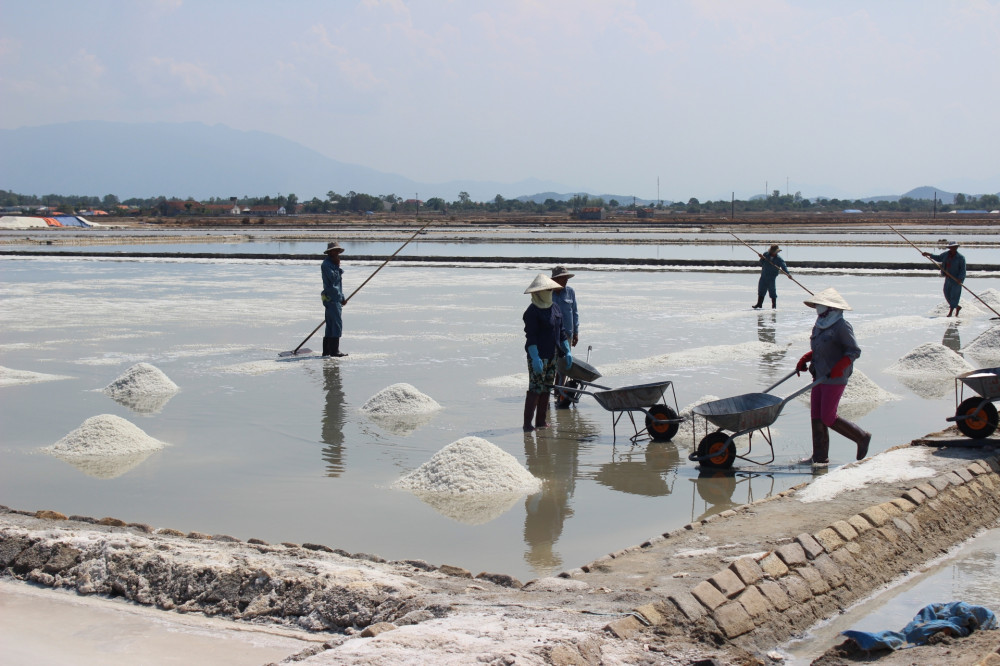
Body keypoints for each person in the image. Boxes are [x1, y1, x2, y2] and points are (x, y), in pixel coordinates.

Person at [795, 287, 871, 465]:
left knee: (828, 417)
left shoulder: (841, 326)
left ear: (830, 307)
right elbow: (820, 347)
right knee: (816, 415)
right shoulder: (820, 323)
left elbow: (853, 351)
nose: (817, 309)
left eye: (820, 305)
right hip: (819, 375)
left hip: (835, 377)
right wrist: (807, 358)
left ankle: (862, 437)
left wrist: (841, 366)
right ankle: (819, 457)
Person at [522, 273, 571, 432]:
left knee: (546, 388)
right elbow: (531, 337)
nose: (549, 292)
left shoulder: (555, 308)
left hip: (552, 355)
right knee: (535, 389)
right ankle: (528, 425)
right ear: (538, 292)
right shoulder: (532, 312)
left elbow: (561, 331)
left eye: (550, 290)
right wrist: (535, 357)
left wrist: (567, 350)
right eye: (546, 290)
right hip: (538, 356)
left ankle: (541, 422)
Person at [550, 266, 579, 409]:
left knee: (563, 365)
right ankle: (550, 391)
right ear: (555, 279)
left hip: (567, 333)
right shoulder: (548, 293)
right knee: (551, 363)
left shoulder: (570, 292)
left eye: (567, 278)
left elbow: (574, 312)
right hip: (551, 335)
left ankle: (558, 392)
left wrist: (576, 332)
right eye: (563, 278)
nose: (565, 281)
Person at [922, 241, 966, 317]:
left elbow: (963, 270)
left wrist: (960, 279)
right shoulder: (946, 255)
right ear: (949, 248)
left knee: (954, 295)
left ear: (956, 248)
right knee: (947, 293)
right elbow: (939, 258)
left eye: (955, 247)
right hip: (948, 278)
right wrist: (928, 254)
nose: (953, 248)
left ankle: (951, 312)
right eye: (952, 247)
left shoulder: (960, 258)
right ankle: (957, 307)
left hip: (956, 280)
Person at [320, 241, 348, 357]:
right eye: (334, 251)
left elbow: (338, 285)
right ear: (329, 252)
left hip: (335, 298)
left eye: (337, 251)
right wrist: (337, 266)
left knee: (331, 324)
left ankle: (327, 351)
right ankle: (334, 351)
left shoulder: (331, 263)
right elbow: (332, 281)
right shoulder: (327, 265)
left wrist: (343, 297)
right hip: (331, 298)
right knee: (335, 324)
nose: (336, 253)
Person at [752, 244, 789, 310]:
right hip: (764, 275)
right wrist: (761, 258)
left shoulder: (779, 259)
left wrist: (788, 274)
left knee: (772, 291)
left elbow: (784, 266)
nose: (776, 253)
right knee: (761, 289)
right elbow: (762, 263)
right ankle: (759, 304)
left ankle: (774, 306)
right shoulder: (766, 254)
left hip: (772, 277)